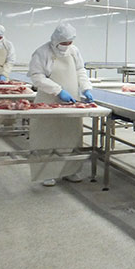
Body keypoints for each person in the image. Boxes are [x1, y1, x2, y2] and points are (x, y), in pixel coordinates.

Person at [28, 23, 94, 186]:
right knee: (47, 137)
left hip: (71, 102)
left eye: (69, 42)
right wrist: (58, 90)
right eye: (63, 43)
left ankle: (71, 171)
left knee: (71, 136)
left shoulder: (74, 51)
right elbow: (37, 76)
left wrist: (86, 88)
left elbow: (80, 70)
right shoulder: (42, 52)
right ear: (55, 40)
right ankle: (47, 173)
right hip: (49, 101)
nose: (66, 46)